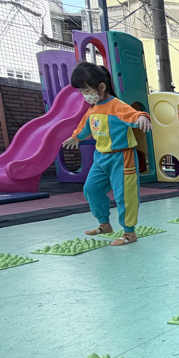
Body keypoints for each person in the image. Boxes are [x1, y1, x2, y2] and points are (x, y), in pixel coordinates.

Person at [62, 63, 151, 246]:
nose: (85, 95)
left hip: (122, 158)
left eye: (87, 90)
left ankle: (129, 232)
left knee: (124, 195)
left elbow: (134, 115)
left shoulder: (117, 106)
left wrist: (143, 117)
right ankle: (104, 224)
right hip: (101, 157)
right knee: (91, 189)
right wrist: (75, 138)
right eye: (82, 92)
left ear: (101, 87)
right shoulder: (92, 109)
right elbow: (84, 127)